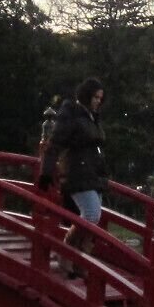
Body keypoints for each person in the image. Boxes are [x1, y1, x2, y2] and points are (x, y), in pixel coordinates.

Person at [40, 79, 108, 227]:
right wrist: (46, 172)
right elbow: (55, 143)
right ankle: (69, 245)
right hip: (77, 172)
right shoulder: (72, 114)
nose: (98, 101)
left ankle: (78, 248)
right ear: (87, 95)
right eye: (95, 97)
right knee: (91, 215)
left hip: (93, 174)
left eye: (100, 98)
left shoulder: (93, 117)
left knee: (92, 220)